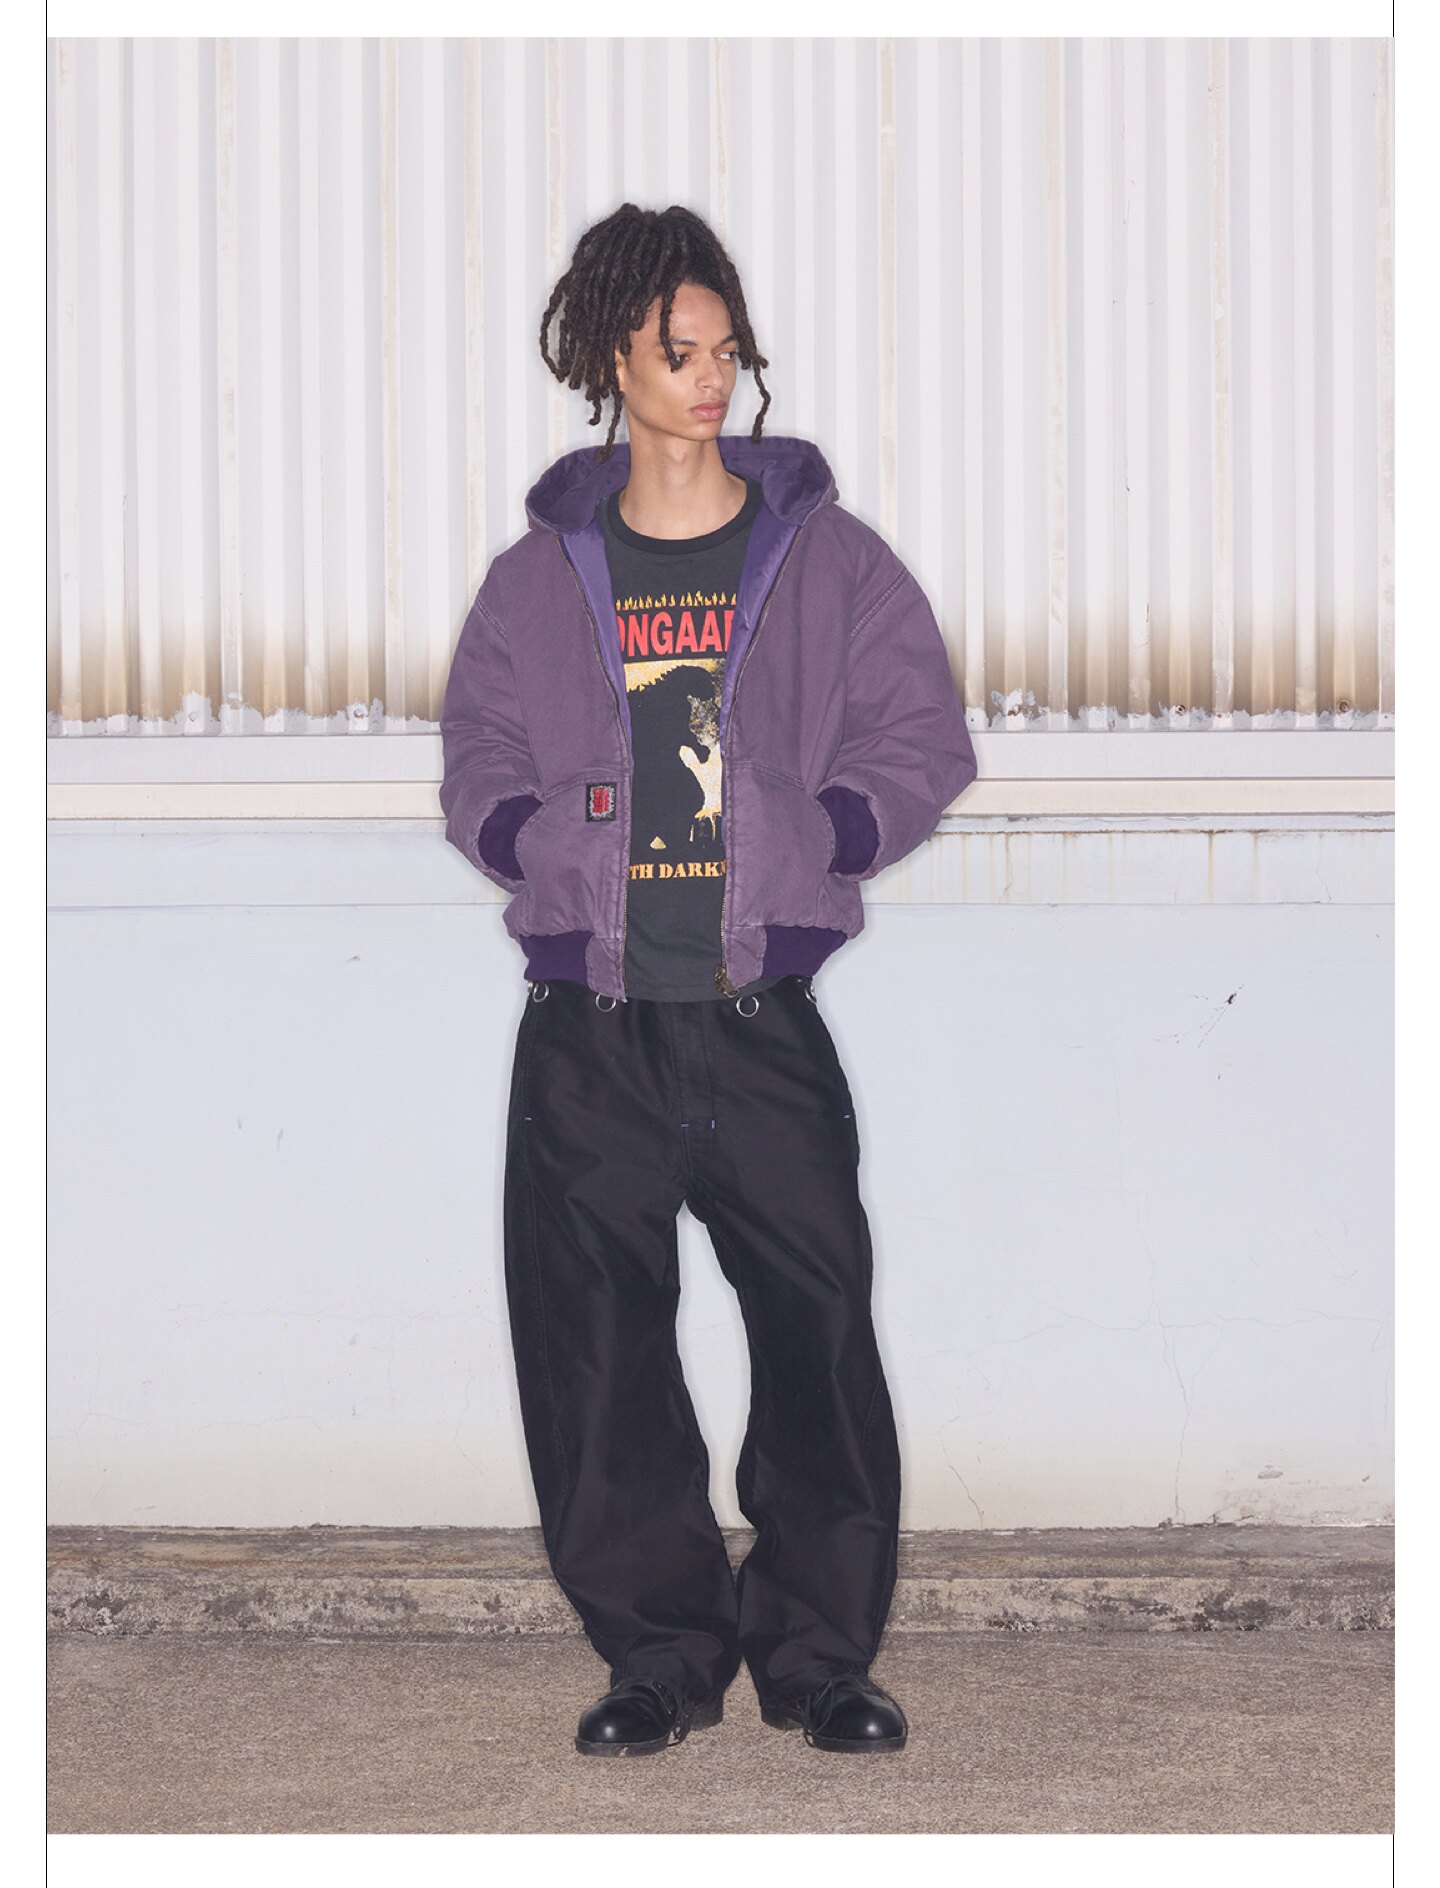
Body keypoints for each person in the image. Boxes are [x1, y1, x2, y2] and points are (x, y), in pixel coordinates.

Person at [439, 202, 977, 1758]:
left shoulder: (826, 560)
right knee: (597, 1354)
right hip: (590, 1030)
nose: (712, 377)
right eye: (679, 350)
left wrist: (824, 837)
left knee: (818, 1339)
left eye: (727, 347)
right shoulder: (540, 580)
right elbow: (477, 758)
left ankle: (820, 1662)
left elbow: (920, 739)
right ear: (612, 361)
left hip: (758, 1024)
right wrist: (537, 841)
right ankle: (660, 1659)